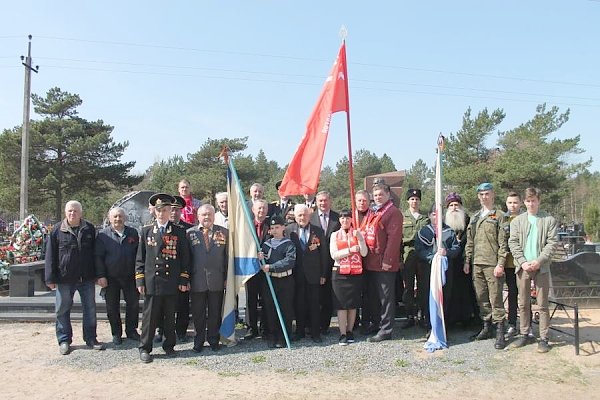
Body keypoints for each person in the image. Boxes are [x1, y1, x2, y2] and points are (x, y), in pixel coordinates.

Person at [136, 193, 190, 363]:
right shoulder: (146, 231)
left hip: (171, 280)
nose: (162, 213)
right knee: (149, 318)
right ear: (155, 212)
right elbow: (140, 258)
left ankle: (169, 346)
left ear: (170, 212)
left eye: (165, 210)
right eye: (159, 210)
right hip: (152, 281)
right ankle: (145, 348)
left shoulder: (178, 232)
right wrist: (140, 279)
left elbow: (185, 258)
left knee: (169, 315)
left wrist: (183, 279)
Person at [45, 200, 104, 355]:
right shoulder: (57, 230)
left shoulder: (89, 229)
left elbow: (96, 254)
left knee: (90, 310)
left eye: (75, 211)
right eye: (70, 211)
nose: (72, 214)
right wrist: (50, 278)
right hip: (65, 279)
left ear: (81, 213)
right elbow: (50, 256)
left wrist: (99, 274)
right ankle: (64, 340)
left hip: (87, 278)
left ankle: (91, 338)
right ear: (66, 212)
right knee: (62, 309)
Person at [508, 188, 558, 353]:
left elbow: (552, 244)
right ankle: (524, 333)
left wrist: (539, 261)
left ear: (539, 201)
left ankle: (543, 338)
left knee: (542, 304)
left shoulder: (548, 220)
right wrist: (522, 262)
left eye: (534, 200)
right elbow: (513, 243)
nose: (531, 203)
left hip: (541, 267)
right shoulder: (517, 221)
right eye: (528, 201)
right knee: (523, 303)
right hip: (523, 268)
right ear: (524, 202)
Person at [464, 183, 509, 350]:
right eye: (481, 194)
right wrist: (467, 261)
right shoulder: (475, 217)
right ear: (478, 196)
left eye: (487, 194)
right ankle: (486, 326)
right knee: (481, 297)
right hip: (477, 263)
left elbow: (503, 243)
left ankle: (499, 330)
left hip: (492, 264)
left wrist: (500, 264)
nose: (484, 197)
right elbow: (470, 241)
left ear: (493, 195)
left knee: (496, 298)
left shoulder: (499, 216)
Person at [95, 207, 140, 345]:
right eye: (115, 217)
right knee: (112, 307)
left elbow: (139, 255)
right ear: (110, 218)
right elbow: (98, 257)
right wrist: (101, 275)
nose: (118, 219)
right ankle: (116, 333)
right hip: (111, 277)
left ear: (124, 218)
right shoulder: (102, 235)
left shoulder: (132, 233)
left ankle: (131, 331)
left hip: (130, 276)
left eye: (120, 216)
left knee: (133, 305)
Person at [363, 183, 403, 342]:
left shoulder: (393, 212)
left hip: (384, 263)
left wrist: (388, 260)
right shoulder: (374, 211)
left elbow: (394, 239)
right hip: (372, 261)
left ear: (388, 195)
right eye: (376, 195)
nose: (378, 197)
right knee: (374, 296)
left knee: (386, 298)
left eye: (381, 194)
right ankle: (378, 324)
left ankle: (386, 329)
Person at [187, 204, 228, 352]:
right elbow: (187, 259)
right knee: (198, 314)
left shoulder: (224, 232)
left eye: (210, 214)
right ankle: (198, 342)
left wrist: (227, 277)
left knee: (214, 313)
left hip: (217, 280)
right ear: (198, 217)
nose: (207, 217)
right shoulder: (189, 233)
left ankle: (213, 340)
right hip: (196, 280)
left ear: (214, 216)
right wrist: (186, 279)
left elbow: (227, 257)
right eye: (204, 215)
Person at [285, 204, 327, 343]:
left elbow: (324, 254)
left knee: (314, 304)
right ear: (295, 217)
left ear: (309, 215)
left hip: (314, 274)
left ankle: (315, 333)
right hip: (295, 274)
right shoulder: (289, 231)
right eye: (299, 215)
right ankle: (300, 331)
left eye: (305, 214)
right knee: (298, 304)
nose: (302, 217)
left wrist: (323, 274)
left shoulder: (318, 231)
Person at [415, 206, 460, 330]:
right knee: (428, 295)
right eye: (434, 214)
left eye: (439, 215)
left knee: (444, 295)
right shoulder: (423, 232)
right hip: (429, 269)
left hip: (445, 269)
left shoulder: (449, 231)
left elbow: (456, 249)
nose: (436, 217)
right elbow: (419, 250)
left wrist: (446, 253)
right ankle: (429, 324)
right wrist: (432, 258)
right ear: (429, 215)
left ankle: (442, 324)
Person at [330, 210, 368, 345]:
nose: (345, 220)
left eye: (347, 218)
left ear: (351, 219)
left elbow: (364, 253)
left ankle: (350, 330)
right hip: (340, 273)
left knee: (353, 304)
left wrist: (361, 239)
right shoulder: (335, 235)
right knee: (341, 305)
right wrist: (349, 251)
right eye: (342, 218)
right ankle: (342, 333)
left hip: (355, 272)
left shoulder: (357, 234)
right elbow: (334, 254)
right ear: (339, 220)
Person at [259, 215, 296, 348]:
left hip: (285, 280)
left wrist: (272, 267)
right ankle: (272, 335)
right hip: (270, 281)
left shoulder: (289, 244)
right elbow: (262, 262)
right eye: (272, 228)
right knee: (270, 309)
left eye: (277, 227)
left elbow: (289, 261)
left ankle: (283, 336)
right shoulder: (266, 245)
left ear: (283, 228)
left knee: (285, 309)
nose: (275, 230)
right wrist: (260, 258)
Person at [443, 192, 477, 325]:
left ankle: (466, 318)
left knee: (465, 290)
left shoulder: (468, 221)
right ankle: (450, 319)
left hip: (464, 261)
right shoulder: (444, 222)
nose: (454, 207)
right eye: (451, 205)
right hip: (449, 261)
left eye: (456, 204)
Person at [309, 190, 340, 334]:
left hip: (333, 262)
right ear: (316, 202)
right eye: (320, 200)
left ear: (330, 201)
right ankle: (313, 324)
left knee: (328, 295)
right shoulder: (310, 217)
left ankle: (325, 325)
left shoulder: (337, 218)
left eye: (325, 200)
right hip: (315, 263)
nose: (323, 203)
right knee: (315, 296)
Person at [401, 188, 430, 329]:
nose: (414, 201)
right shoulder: (402, 217)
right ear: (408, 201)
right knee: (408, 287)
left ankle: (422, 314)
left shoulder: (425, 219)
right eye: (412, 199)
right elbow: (399, 239)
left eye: (417, 199)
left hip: (423, 256)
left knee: (423, 286)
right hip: (408, 254)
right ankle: (409, 315)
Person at [244, 198, 271, 340]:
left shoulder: (270, 226)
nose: (261, 211)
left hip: (266, 268)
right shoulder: (247, 226)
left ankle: (265, 328)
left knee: (266, 299)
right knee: (251, 299)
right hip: (251, 268)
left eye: (264, 208)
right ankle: (251, 328)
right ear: (253, 210)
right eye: (259, 208)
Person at [355, 190, 376, 334]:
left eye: (364, 200)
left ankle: (367, 321)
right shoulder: (351, 216)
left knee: (369, 293)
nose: (362, 203)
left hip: (370, 259)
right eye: (359, 201)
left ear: (369, 202)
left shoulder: (374, 216)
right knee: (355, 292)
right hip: (353, 260)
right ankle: (354, 321)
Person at [503, 191, 522, 339]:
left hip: (521, 263)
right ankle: (508, 322)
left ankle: (520, 323)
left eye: (515, 202)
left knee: (521, 294)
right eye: (510, 203)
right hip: (507, 263)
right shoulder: (503, 219)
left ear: (520, 203)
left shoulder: (525, 219)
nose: (513, 205)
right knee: (510, 293)